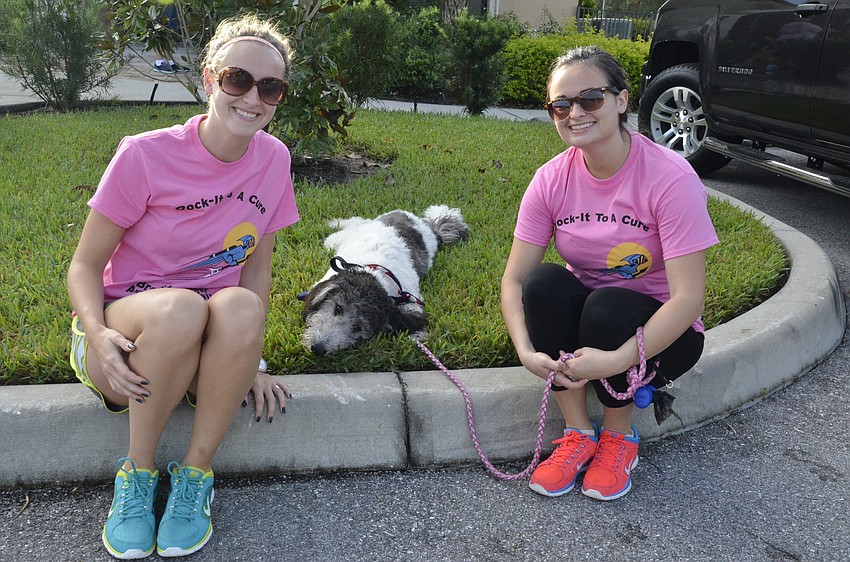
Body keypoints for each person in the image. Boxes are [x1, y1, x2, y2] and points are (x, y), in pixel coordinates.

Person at [66, 15, 299, 558]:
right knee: (179, 311)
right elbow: (84, 266)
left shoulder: (274, 159)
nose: (253, 98)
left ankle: (195, 477)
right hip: (128, 335)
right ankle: (137, 472)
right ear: (209, 78)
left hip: (202, 339)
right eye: (237, 79)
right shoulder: (144, 154)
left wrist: (252, 362)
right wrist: (97, 333)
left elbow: (256, 269)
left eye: (271, 87)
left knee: (239, 305)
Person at [501, 46, 718, 502]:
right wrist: (524, 351)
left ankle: (619, 439)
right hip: (591, 321)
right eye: (561, 105)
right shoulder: (550, 179)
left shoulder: (669, 177)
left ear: (621, 101)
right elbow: (516, 281)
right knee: (544, 283)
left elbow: (688, 299)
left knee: (608, 305)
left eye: (590, 99)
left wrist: (618, 361)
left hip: (665, 329)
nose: (574, 113)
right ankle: (578, 434)